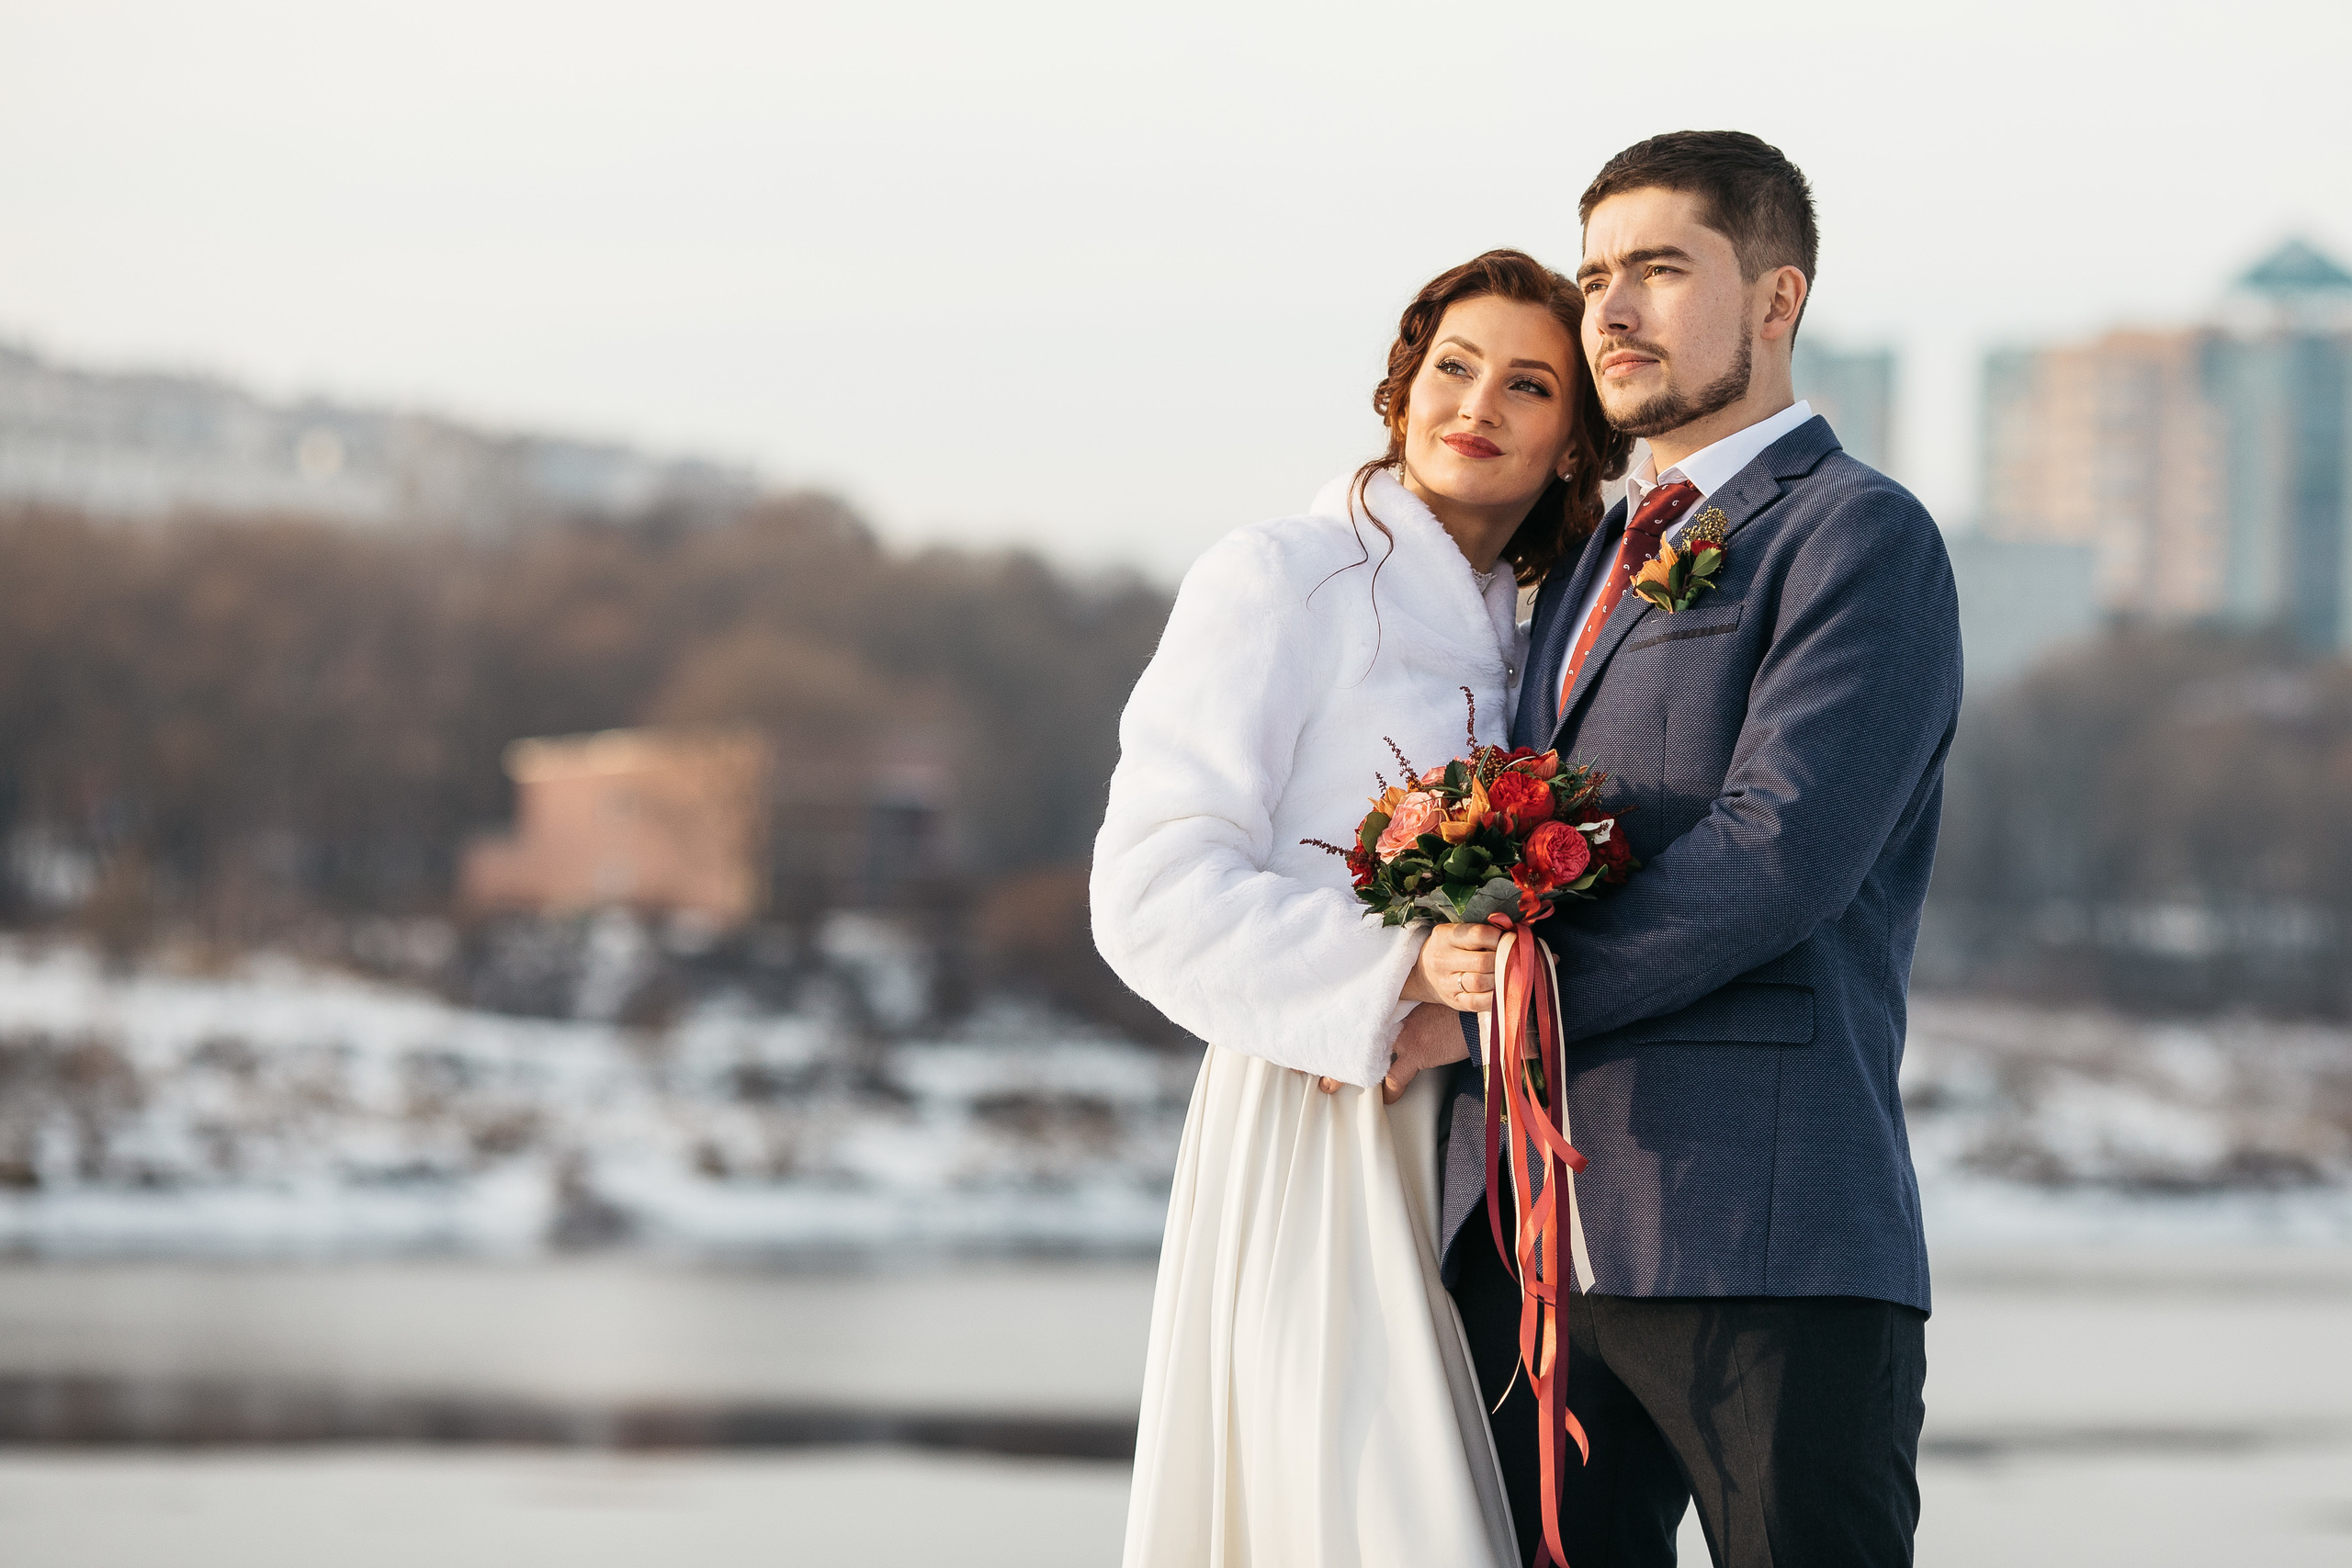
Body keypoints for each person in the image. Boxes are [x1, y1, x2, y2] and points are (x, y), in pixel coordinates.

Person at [1437, 131, 1963, 1567]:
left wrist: (1512, 1007)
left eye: (1661, 270)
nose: (1609, 309)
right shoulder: (1590, 559)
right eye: (1598, 273)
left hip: (1773, 1243)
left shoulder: (1860, 537)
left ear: (1777, 300)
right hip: (1543, 1258)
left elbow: (1777, 858)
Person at [1091, 249, 1629, 1567]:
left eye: (1527, 384)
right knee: (1364, 1509)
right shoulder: (1282, 575)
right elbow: (1146, 889)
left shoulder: (1551, 628)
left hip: (1505, 1144)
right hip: (1321, 1105)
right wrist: (1393, 974)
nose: (1477, 405)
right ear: (1401, 386)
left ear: (1574, 441)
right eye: (1453, 366)